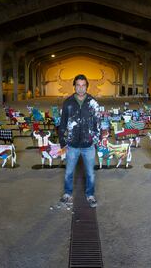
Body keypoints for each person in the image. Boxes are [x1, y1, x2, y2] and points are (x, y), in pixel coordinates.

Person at [58, 74, 100, 208]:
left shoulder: (93, 102)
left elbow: (97, 123)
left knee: (90, 173)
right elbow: (62, 123)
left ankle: (90, 194)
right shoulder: (68, 102)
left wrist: (95, 141)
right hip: (72, 145)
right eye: (78, 85)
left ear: (86, 86)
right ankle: (67, 193)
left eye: (83, 85)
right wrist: (63, 142)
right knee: (69, 171)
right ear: (74, 86)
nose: (81, 88)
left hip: (88, 145)